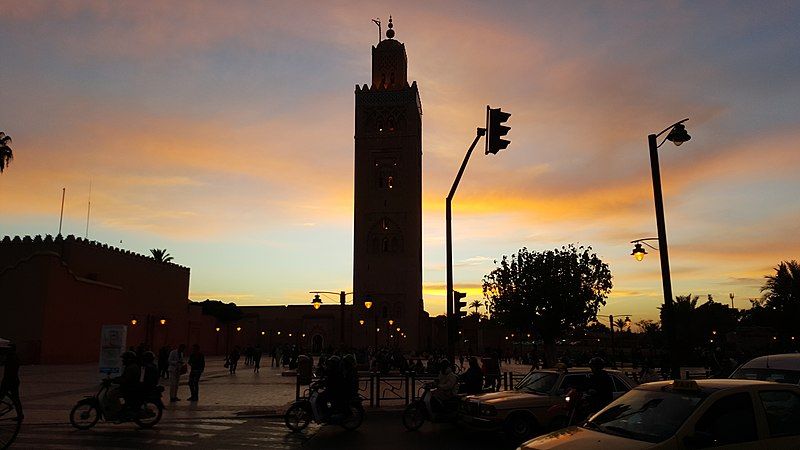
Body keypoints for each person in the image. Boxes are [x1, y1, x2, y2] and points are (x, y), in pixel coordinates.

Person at [109, 351, 141, 416]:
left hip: (129, 388)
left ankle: (119, 410)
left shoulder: (131, 368)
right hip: (128, 387)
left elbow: (125, 379)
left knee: (113, 395)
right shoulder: (130, 366)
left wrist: (114, 381)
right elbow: (123, 377)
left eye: (124, 359)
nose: (123, 360)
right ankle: (122, 407)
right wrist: (113, 379)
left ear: (129, 359)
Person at [0, 342, 23, 421]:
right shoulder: (14, 357)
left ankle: (20, 415)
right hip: (13, 380)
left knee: (2, 396)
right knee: (15, 399)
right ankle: (20, 414)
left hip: (9, 381)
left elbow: (9, 370)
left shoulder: (11, 358)